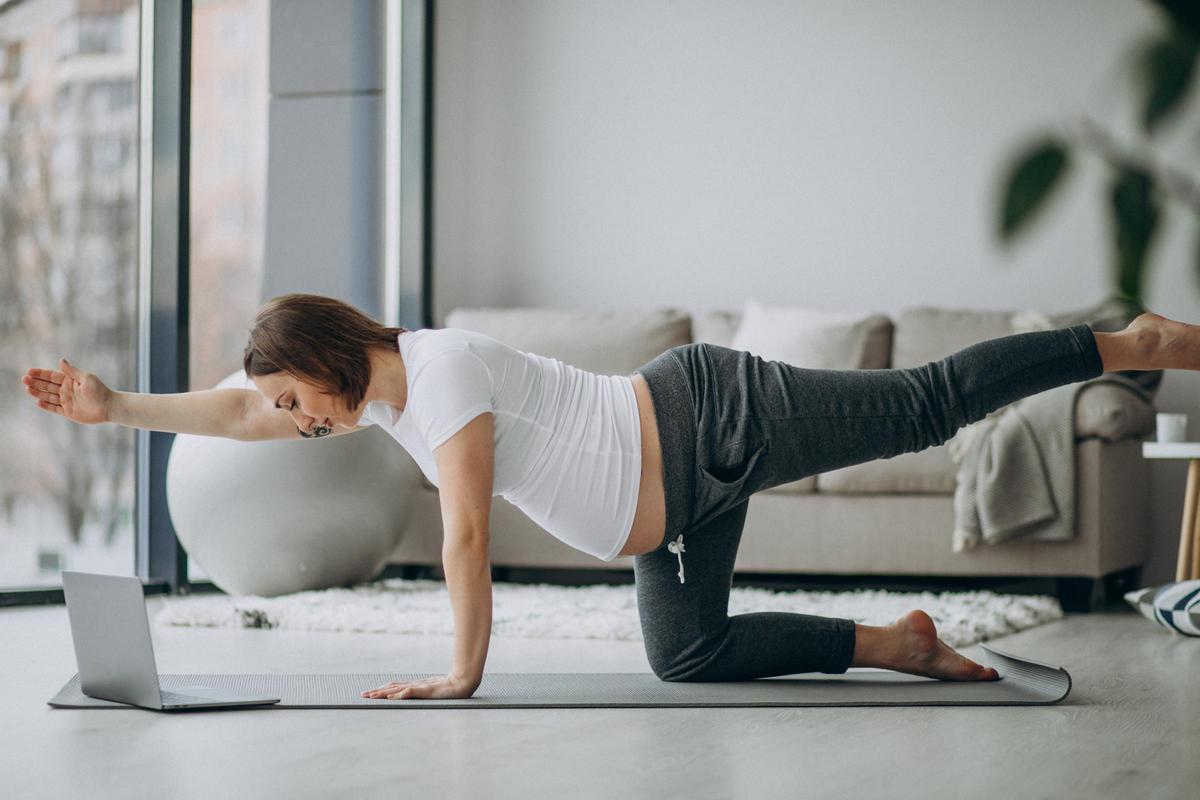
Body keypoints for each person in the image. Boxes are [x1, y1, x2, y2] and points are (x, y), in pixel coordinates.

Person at [22, 293, 1196, 701]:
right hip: (674, 500)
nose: (286, 419)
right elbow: (229, 412)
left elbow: (469, 532)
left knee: (924, 404)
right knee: (683, 653)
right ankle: (896, 639)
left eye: (291, 399)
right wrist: (114, 405)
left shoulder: (439, 375)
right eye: (284, 409)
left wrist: (460, 670)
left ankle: (1116, 343)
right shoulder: (376, 400)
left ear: (327, 360)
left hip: (710, 419)